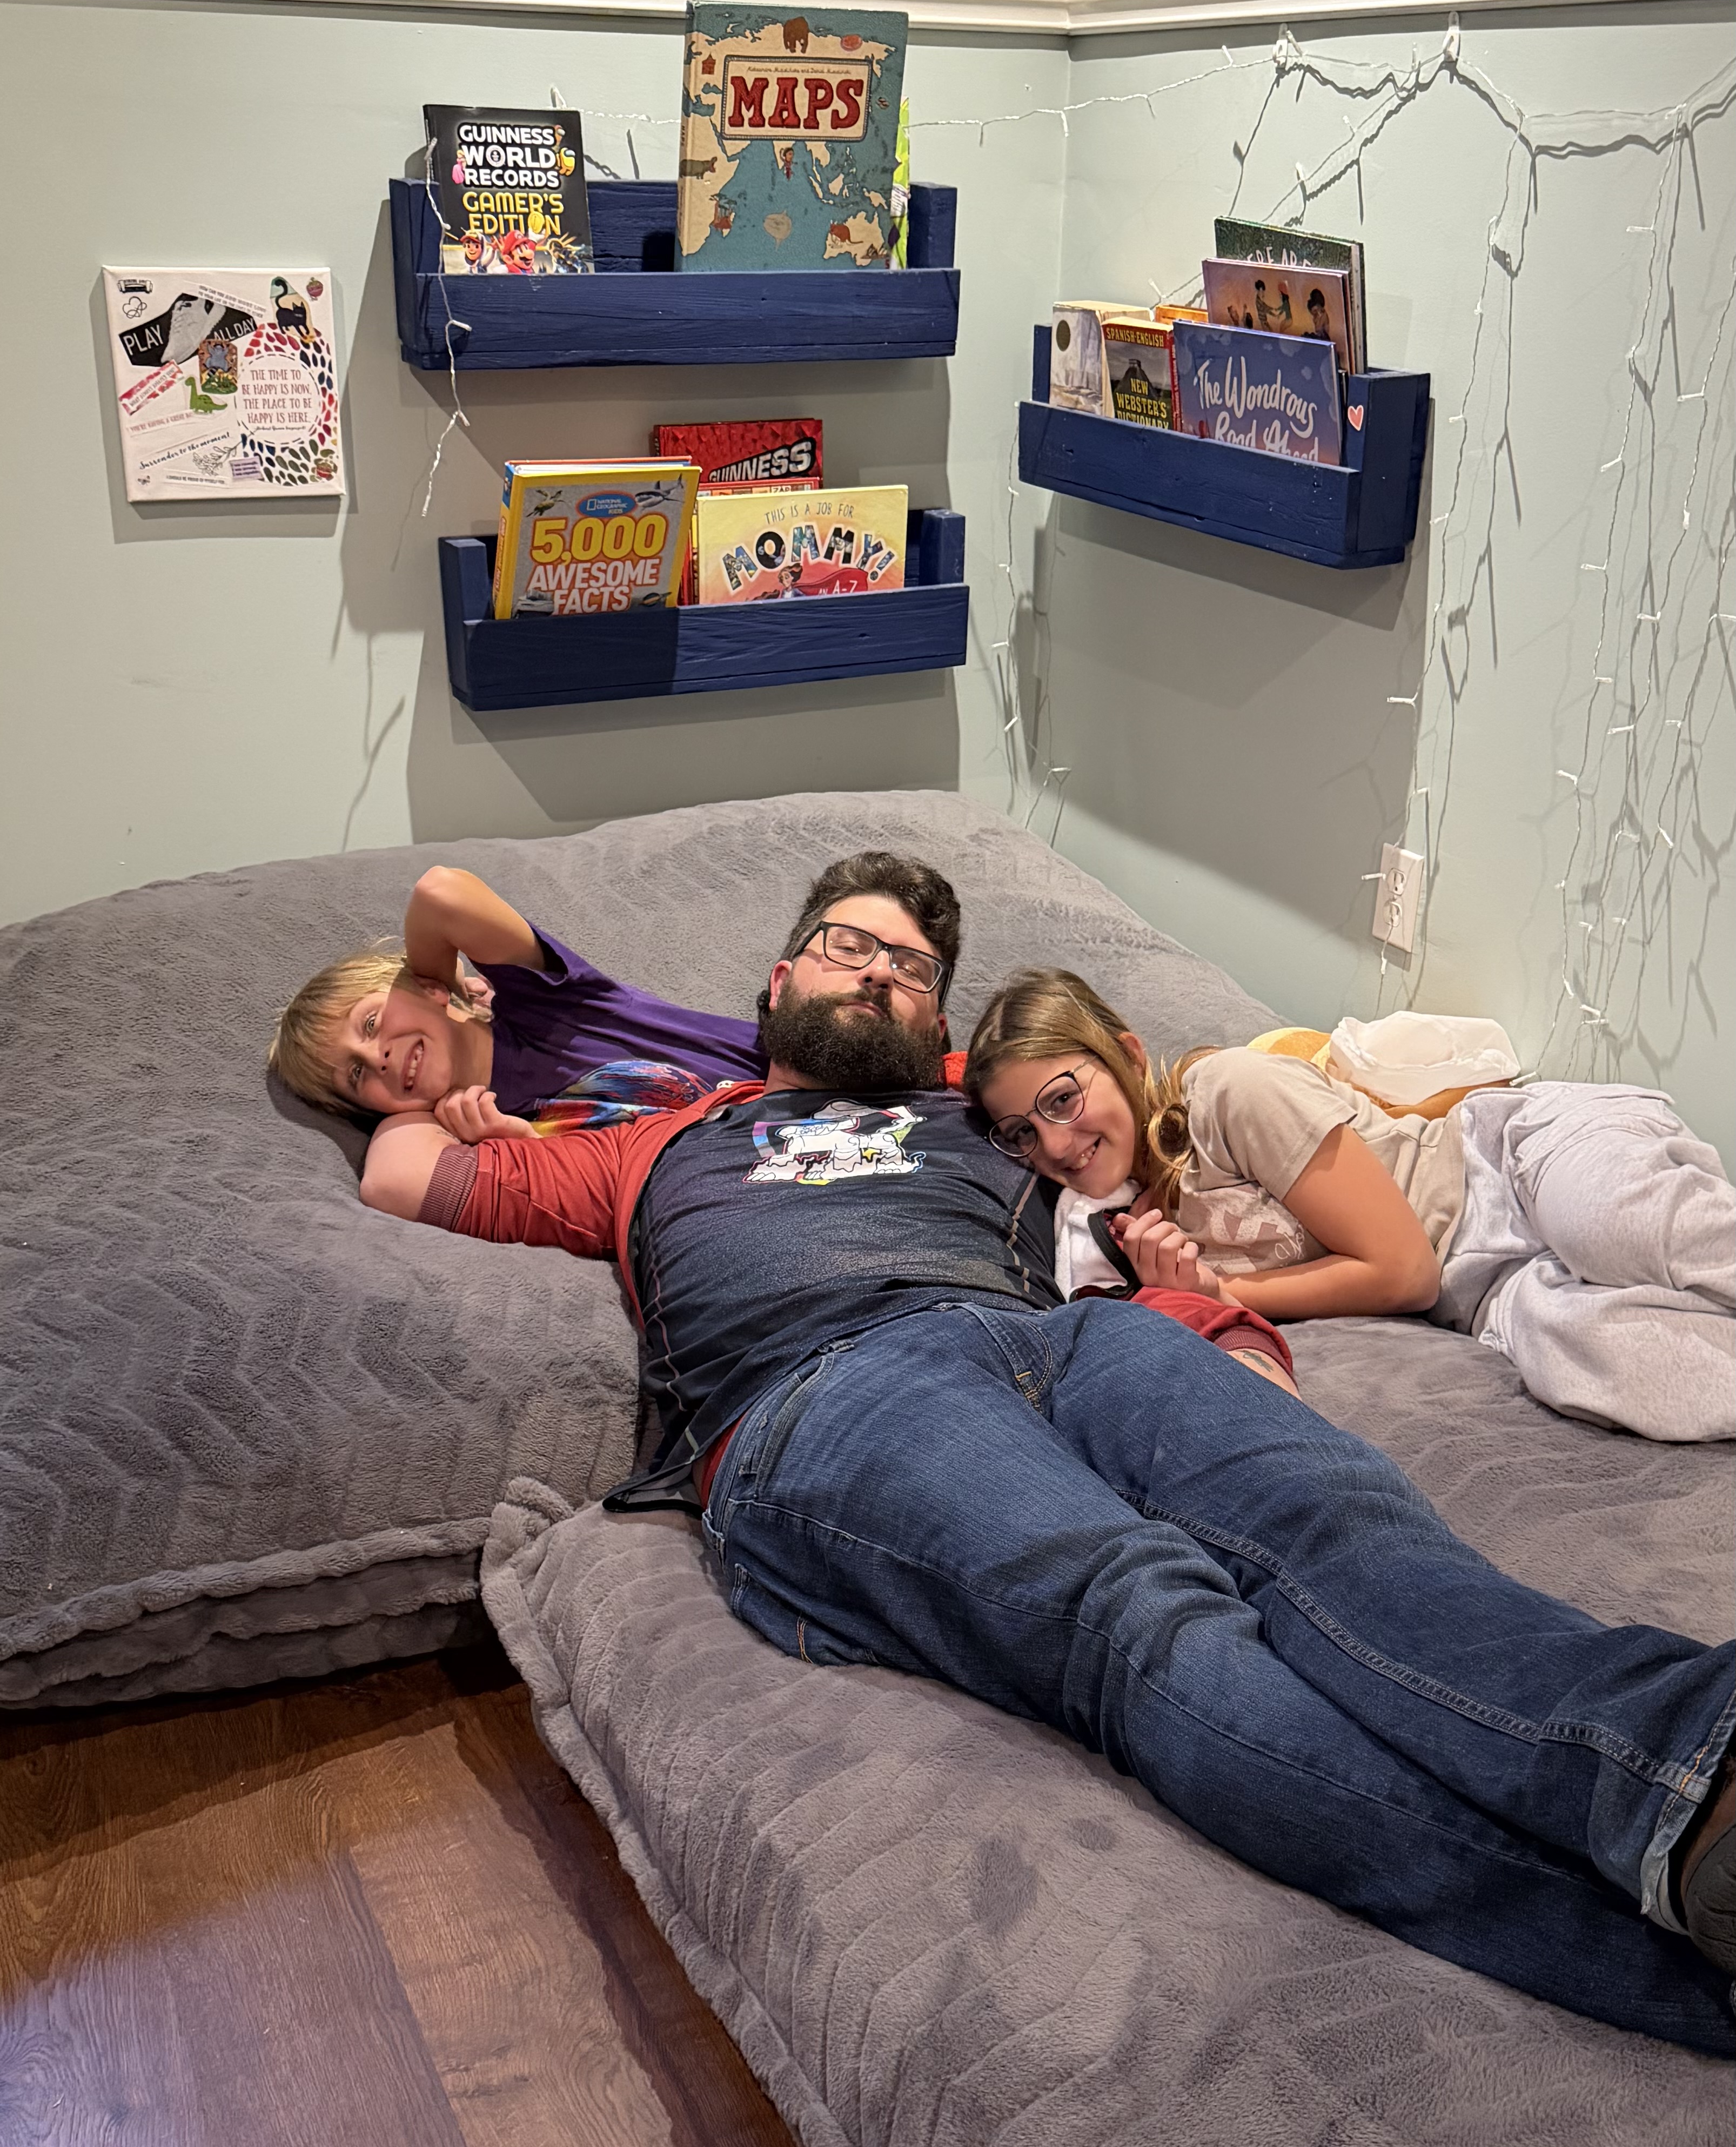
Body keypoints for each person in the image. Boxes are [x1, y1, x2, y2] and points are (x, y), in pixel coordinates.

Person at [359, 851, 1736, 2055]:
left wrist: (1217, 1327)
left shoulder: (979, 1113)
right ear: (776, 984)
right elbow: (399, 1167)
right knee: (1141, 1610)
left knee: (1331, 1512)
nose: (879, 973)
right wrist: (459, 1064)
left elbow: (1118, 1140)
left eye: (912, 971)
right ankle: (1672, 1969)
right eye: (848, 945)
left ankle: (1698, 1767)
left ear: (936, 1028)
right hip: (821, 1392)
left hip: (1069, 1341)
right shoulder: (652, 1145)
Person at [963, 969, 1736, 1446]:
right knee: (1622, 1369)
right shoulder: (1127, 1233)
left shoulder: (1226, 1093)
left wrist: (1222, 1293)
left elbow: (1403, 1272)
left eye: (1063, 1098)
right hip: (1482, 1291)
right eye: (1021, 1132)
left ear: (1128, 1057)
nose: (1054, 1143)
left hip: (1508, 1164)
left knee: (1610, 1225)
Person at [267, 862, 761, 1129]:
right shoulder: (475, 1137)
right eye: (355, 1075)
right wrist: (509, 1141)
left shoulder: (545, 1007)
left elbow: (441, 892)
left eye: (371, 1024)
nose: (377, 1059)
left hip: (789, 1077)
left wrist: (438, 979)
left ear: (425, 988)